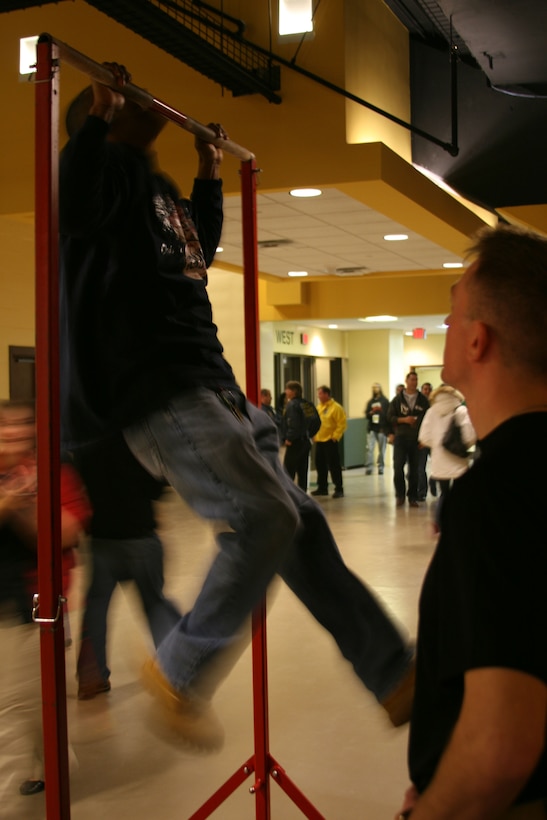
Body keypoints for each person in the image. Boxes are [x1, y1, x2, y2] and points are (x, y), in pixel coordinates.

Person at [60, 64, 415, 751]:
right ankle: (181, 668)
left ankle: (392, 670)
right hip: (162, 394)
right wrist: (98, 118)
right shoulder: (99, 174)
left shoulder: (155, 189)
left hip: (215, 388)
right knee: (263, 516)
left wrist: (207, 171)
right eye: (125, 95)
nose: (143, 95)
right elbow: (72, 207)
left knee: (301, 526)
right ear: (102, 115)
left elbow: (197, 249)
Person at [398, 224, 547, 819]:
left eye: (453, 314)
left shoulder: (496, 495)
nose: (446, 328)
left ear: (479, 340)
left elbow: (499, 748)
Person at [0, 400, 90, 799]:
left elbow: (66, 535)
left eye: (22, 425)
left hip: (35, 603)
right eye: (5, 426)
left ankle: (51, 765)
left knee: (33, 697)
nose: (14, 433)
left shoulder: (54, 473)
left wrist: (26, 501)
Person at [72, 434, 181, 700]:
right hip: (141, 539)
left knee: (95, 609)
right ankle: (174, 672)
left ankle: (91, 677)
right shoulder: (140, 441)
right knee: (155, 605)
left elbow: (78, 484)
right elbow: (159, 485)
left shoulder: (86, 444)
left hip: (102, 541)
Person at [418, 385, 476, 530]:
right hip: (458, 459)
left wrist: (438, 445)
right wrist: (461, 446)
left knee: (444, 493)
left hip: (439, 461)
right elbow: (470, 434)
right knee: (460, 494)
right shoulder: (461, 410)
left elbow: (424, 437)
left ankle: (440, 522)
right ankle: (458, 523)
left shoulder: (431, 411)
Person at [387, 373, 430, 507]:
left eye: (416, 380)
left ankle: (413, 496)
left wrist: (425, 438)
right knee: (398, 466)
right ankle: (400, 495)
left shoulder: (423, 400)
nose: (414, 382)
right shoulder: (397, 400)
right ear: (406, 381)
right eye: (412, 379)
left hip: (416, 439)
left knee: (415, 469)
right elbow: (390, 417)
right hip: (401, 437)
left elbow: (429, 419)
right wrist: (404, 420)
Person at [312, 385, 347, 498]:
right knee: (320, 465)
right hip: (320, 440)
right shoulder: (319, 407)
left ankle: (339, 488)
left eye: (320, 393)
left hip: (330, 440)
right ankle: (322, 487)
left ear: (327, 394)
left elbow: (341, 424)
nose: (319, 396)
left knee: (334, 466)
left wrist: (335, 436)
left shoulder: (336, 407)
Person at [281, 380, 312, 491]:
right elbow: (315, 421)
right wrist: (310, 434)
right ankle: (302, 494)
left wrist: (289, 438)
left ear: (293, 391)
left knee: (289, 471)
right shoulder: (306, 404)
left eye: (287, 389)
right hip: (305, 441)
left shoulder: (292, 405)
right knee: (302, 471)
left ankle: (289, 495)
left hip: (295, 442)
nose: (285, 392)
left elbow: (292, 423)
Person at [364, 383, 390, 475]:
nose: (375, 389)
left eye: (377, 387)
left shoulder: (385, 401)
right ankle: (369, 467)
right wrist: (371, 412)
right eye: (373, 387)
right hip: (372, 428)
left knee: (382, 450)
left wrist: (380, 411)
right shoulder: (370, 402)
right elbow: (366, 415)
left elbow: (388, 415)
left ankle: (381, 467)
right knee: (369, 449)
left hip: (382, 429)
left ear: (380, 388)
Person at [417, 382, 433, 500]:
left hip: (433, 441)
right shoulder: (418, 405)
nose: (426, 391)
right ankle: (422, 492)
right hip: (422, 441)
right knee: (420, 468)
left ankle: (434, 484)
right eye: (425, 389)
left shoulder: (434, 405)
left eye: (428, 389)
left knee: (437, 465)